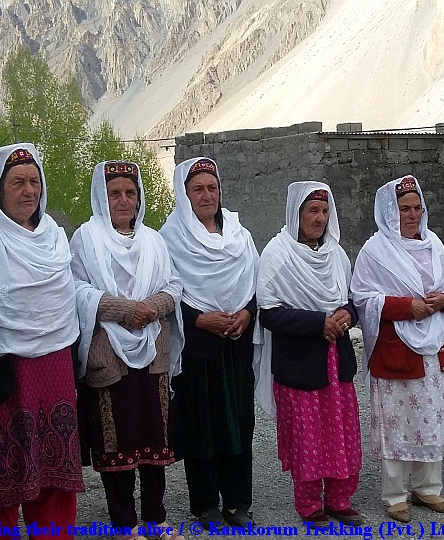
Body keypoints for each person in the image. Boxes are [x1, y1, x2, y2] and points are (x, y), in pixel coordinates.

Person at [0, 143, 84, 538]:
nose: (29, 190)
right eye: (17, 182)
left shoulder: (53, 234)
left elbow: (65, 300)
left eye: (35, 181)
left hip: (54, 363)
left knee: (56, 468)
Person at [70, 160, 185, 540]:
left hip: (152, 350)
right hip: (108, 353)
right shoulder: (86, 239)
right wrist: (124, 309)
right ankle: (123, 523)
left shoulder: (153, 240)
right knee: (115, 438)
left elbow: (173, 284)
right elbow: (77, 290)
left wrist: (151, 307)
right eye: (114, 193)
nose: (123, 200)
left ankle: (156, 519)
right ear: (101, 198)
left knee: (154, 437)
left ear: (140, 199)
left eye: (130, 193)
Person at [351, 176, 444, 523]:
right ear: (389, 212)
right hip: (396, 349)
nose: (411, 215)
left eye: (416, 208)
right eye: (403, 209)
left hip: (431, 347)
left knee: (431, 418)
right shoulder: (375, 251)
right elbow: (363, 298)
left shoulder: (434, 244)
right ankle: (395, 494)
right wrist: (406, 307)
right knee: (396, 423)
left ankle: (428, 488)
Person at [256, 182, 362, 527]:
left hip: (335, 360)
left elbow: (351, 299)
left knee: (340, 430)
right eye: (312, 211)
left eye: (324, 211)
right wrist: (319, 323)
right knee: (308, 434)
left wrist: (347, 314)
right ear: (295, 214)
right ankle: (308, 504)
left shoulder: (335, 253)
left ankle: (339, 499)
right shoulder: (277, 254)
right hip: (301, 363)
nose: (319, 218)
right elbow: (269, 312)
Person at [160, 157, 259, 527]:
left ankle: (238, 501)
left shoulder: (239, 234)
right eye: (198, 188)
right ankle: (204, 502)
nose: (207, 195)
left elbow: (254, 281)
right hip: (197, 345)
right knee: (201, 422)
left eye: (212, 187)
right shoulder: (169, 238)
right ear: (184, 195)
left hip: (237, 341)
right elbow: (167, 290)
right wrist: (201, 319)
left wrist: (247, 313)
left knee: (240, 420)